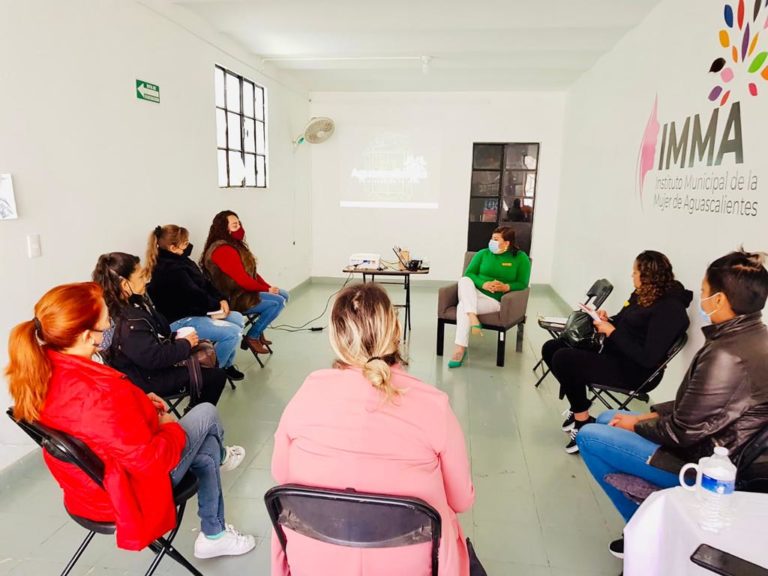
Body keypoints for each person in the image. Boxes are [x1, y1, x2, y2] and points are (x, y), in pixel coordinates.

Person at [4, 282, 255, 558]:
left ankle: (214, 532)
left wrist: (139, 402)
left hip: (86, 490)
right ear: (88, 336)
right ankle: (220, 472)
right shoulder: (102, 395)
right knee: (206, 413)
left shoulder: (44, 371)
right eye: (106, 322)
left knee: (204, 449)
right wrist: (169, 425)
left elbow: (100, 424)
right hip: (124, 494)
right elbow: (149, 461)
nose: (111, 323)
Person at [271, 283, 476, 576]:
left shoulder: (306, 393)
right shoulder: (434, 406)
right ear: (396, 332)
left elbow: (282, 478)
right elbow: (462, 499)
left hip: (315, 565)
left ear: (336, 337)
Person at [577, 249, 768, 558]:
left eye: (705, 292)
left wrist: (639, 423)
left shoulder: (726, 356)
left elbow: (682, 433)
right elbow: (696, 405)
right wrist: (645, 417)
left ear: (719, 300)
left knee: (589, 435)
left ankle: (644, 535)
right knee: (609, 416)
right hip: (712, 444)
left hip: (704, 467)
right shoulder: (754, 337)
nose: (702, 300)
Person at [542, 250, 691, 453]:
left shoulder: (670, 309)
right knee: (552, 347)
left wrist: (612, 332)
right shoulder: (643, 294)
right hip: (615, 353)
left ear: (647, 275)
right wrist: (606, 320)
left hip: (635, 372)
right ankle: (580, 407)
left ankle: (582, 422)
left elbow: (648, 358)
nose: (632, 276)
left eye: (635, 272)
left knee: (564, 359)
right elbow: (623, 321)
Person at [93, 252, 227, 407]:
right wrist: (185, 344)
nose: (146, 280)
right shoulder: (129, 322)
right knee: (216, 376)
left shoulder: (124, 306)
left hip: (144, 369)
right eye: (141, 277)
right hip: (147, 380)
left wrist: (177, 338)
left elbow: (158, 332)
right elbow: (154, 358)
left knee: (209, 360)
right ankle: (195, 413)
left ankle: (196, 410)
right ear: (124, 285)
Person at [145, 224, 245, 381]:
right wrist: (216, 308)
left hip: (196, 312)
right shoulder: (169, 269)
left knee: (238, 319)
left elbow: (205, 284)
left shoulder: (183, 260)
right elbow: (195, 295)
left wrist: (221, 299)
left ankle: (226, 365)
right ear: (173, 247)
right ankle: (212, 376)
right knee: (233, 334)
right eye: (185, 242)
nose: (188, 245)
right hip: (180, 321)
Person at [200, 210, 288, 356]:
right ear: (224, 228)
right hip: (231, 298)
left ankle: (258, 333)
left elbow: (251, 273)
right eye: (235, 225)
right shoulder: (223, 250)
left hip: (242, 292)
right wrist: (266, 289)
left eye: (239, 223)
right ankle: (252, 337)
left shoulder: (234, 245)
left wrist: (268, 287)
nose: (239, 227)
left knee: (283, 294)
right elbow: (243, 280)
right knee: (277, 302)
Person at [449, 226, 531, 368]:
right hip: (474, 292)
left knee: (462, 307)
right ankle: (473, 319)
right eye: (491, 238)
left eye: (495, 239)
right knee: (464, 281)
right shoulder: (482, 254)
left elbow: (523, 283)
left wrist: (506, 287)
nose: (491, 242)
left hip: (494, 300)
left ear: (507, 243)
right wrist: (484, 283)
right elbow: (468, 274)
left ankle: (460, 349)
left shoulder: (520, 258)